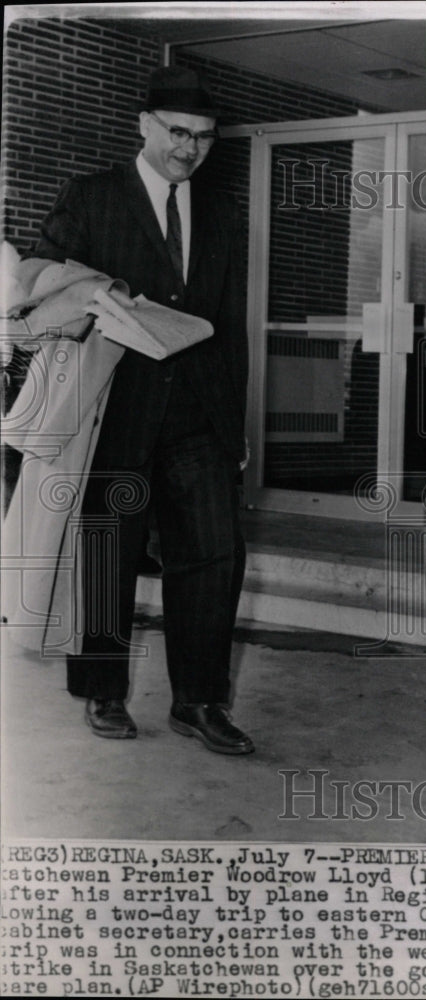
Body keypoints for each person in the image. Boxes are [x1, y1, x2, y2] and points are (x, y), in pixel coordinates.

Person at [29, 66, 253, 754]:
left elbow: (228, 324)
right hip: (115, 405)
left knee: (216, 554)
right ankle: (103, 691)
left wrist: (232, 424)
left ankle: (199, 701)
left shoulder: (220, 213)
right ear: (144, 125)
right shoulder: (92, 197)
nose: (190, 148)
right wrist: (97, 299)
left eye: (205, 138)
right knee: (108, 549)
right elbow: (41, 281)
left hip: (197, 414)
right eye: (178, 133)